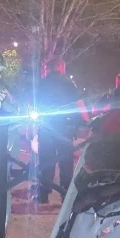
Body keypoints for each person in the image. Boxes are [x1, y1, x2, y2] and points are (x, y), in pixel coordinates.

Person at [35, 58, 80, 204]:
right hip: (64, 126)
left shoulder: (42, 83)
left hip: (46, 125)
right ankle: (65, 194)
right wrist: (76, 125)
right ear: (61, 68)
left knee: (46, 159)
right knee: (65, 161)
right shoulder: (69, 84)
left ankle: (43, 193)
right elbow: (77, 105)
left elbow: (35, 103)